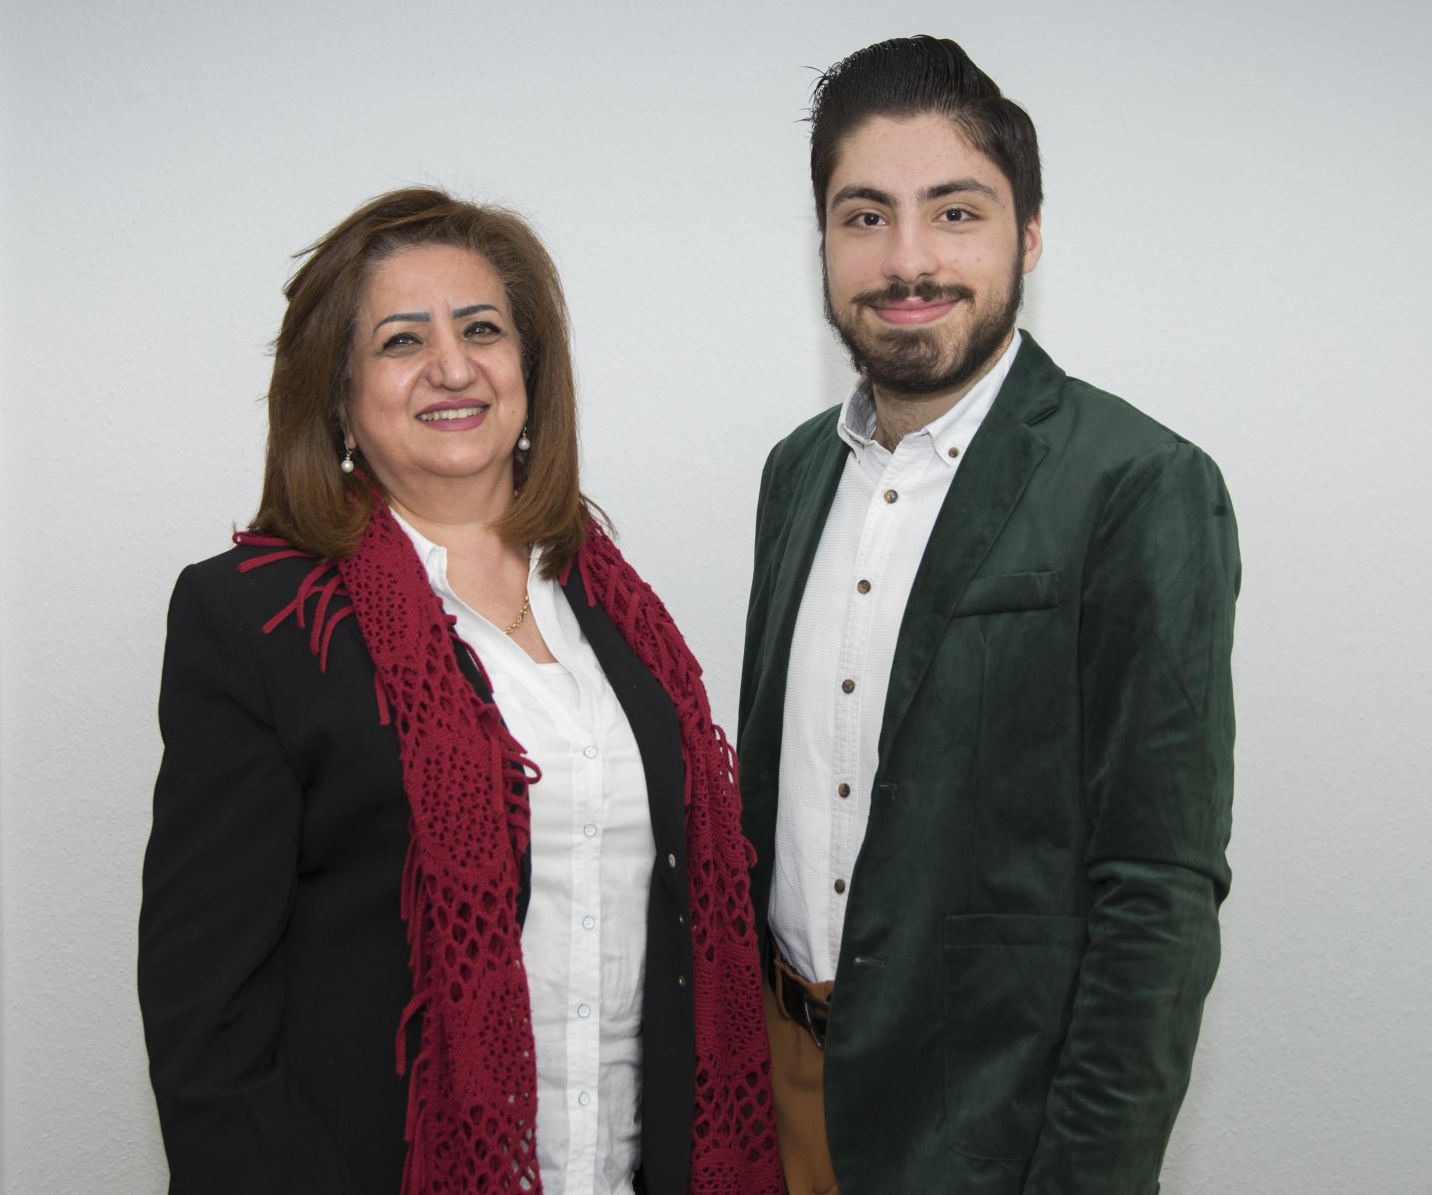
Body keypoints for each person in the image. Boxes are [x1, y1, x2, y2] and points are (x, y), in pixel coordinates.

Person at [139, 188, 782, 1195]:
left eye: (482, 329)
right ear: (338, 396)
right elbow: (204, 1012)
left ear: (529, 371)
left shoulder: (616, 611)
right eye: (402, 340)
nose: (452, 366)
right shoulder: (255, 619)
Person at [738, 36, 1239, 1195]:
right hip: (776, 1093)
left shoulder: (1137, 484)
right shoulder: (794, 474)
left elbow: (1156, 891)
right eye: (865, 215)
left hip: (987, 1138)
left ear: (1029, 235)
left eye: (954, 212)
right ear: (822, 240)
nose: (907, 258)